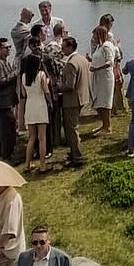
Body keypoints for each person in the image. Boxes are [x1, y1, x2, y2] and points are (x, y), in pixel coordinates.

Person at [57, 35, 88, 167]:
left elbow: (69, 85)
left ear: (70, 47)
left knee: (71, 129)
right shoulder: (82, 59)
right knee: (73, 127)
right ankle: (74, 152)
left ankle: (77, 156)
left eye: (63, 47)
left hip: (72, 100)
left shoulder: (71, 64)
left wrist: (58, 86)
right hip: (82, 97)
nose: (62, 50)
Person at [20, 43, 51, 174]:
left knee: (31, 137)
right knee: (42, 137)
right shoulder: (41, 75)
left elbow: (24, 92)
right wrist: (50, 102)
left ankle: (27, 164)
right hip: (40, 105)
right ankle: (42, 165)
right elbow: (46, 91)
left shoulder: (23, 77)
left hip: (30, 106)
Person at [0, 37, 19, 161]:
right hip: (1, 104)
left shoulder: (4, 62)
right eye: (6, 48)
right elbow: (0, 82)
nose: (8, 50)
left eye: (9, 47)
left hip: (5, 102)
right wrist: (14, 74)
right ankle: (7, 156)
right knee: (7, 130)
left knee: (2, 130)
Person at [89, 23, 117, 135]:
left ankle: (108, 127)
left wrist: (96, 68)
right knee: (100, 101)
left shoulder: (107, 46)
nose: (93, 38)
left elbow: (110, 62)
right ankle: (103, 125)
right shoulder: (99, 47)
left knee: (105, 102)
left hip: (105, 78)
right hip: (99, 77)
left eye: (95, 36)